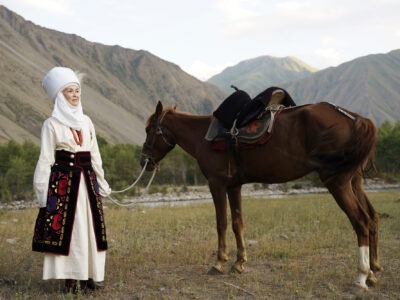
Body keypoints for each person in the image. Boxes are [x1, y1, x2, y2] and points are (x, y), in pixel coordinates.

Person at [32, 66, 111, 293]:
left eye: (77, 90)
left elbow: (94, 154)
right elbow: (45, 159)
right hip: (64, 185)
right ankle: (71, 280)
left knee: (92, 229)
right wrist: (42, 193)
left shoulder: (86, 122)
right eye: (69, 91)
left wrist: (102, 183)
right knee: (73, 231)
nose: (75, 95)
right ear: (59, 95)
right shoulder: (51, 125)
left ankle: (90, 275)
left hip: (88, 183)